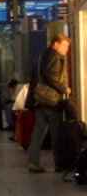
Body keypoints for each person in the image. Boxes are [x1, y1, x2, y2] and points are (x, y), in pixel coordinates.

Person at [27, 33, 72, 173]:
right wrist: (63, 88)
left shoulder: (42, 55)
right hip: (51, 100)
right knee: (56, 132)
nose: (67, 49)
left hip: (40, 99)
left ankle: (33, 162)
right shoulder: (53, 56)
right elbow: (50, 75)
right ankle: (59, 164)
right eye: (65, 45)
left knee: (38, 132)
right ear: (56, 44)